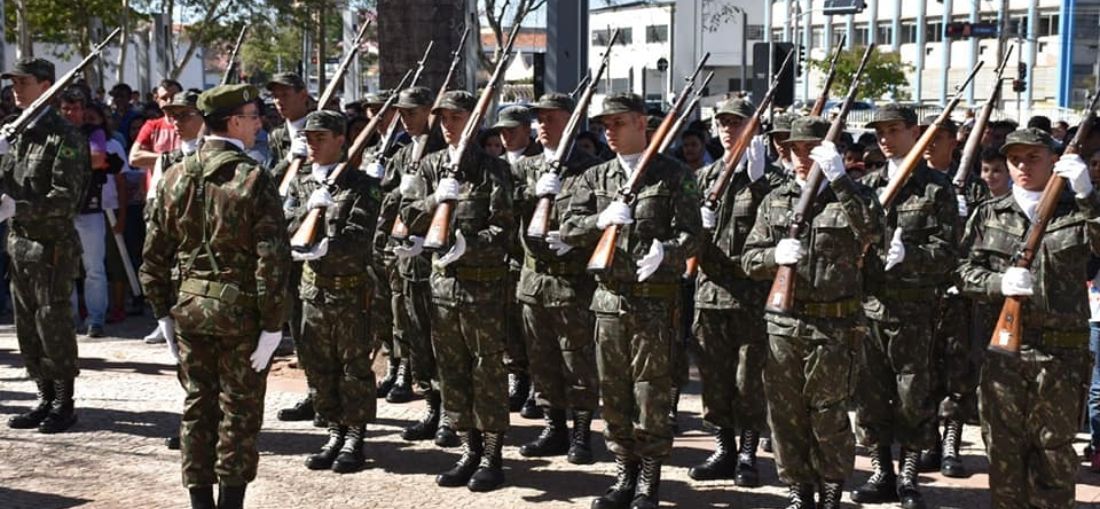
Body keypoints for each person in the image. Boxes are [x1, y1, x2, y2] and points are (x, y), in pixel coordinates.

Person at [140, 84, 290, 509]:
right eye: (252, 115)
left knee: (197, 409)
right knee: (238, 413)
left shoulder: (173, 176)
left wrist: (162, 315)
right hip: (239, 314)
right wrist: (273, 324)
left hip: (188, 310)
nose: (258, 122)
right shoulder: (253, 177)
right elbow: (272, 259)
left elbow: (153, 255)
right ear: (233, 122)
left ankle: (200, 503)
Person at [559, 92, 702, 509]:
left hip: (654, 303)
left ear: (641, 123)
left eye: (619, 123)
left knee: (651, 392)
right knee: (614, 392)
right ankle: (624, 471)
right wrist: (598, 221)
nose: (610, 130)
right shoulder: (595, 176)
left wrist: (667, 253)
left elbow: (694, 234)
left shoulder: (674, 175)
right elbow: (567, 228)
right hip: (608, 301)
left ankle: (649, 479)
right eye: (605, 124)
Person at [742, 116, 882, 508]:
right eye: (793, 150)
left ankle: (832, 489)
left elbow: (873, 234)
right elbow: (749, 258)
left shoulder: (855, 194)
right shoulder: (775, 200)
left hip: (835, 325)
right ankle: (799, 491)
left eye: (810, 149)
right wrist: (774, 256)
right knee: (786, 416)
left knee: (829, 415)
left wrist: (840, 180)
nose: (801, 157)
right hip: (785, 324)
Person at [957, 127, 1099, 508]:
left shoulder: (1078, 211)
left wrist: (1088, 195)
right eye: (1015, 158)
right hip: (1004, 356)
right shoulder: (989, 214)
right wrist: (996, 282)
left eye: (1033, 157)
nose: (1023, 166)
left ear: (1054, 160)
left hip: (1060, 358)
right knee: (1003, 455)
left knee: (1054, 456)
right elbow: (961, 271)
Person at [398, 90, 516, 492]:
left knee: (487, 370)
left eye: (456, 117)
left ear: (475, 120)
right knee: (452, 371)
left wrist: (470, 244)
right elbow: (408, 214)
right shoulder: (429, 166)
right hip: (443, 289)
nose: (448, 125)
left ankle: (492, 455)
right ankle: (468, 449)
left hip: (482, 290)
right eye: (443, 118)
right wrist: (436, 198)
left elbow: (504, 230)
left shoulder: (493, 170)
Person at [853, 104, 960, 509]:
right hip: (872, 307)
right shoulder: (869, 185)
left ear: (914, 132)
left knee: (913, 395)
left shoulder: (935, 188)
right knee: (872, 397)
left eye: (894, 129)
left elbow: (949, 252)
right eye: (880, 131)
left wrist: (910, 255)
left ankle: (910, 475)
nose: (884, 138)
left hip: (915, 311)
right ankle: (882, 471)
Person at [284, 110, 381, 473]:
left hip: (351, 292)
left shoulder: (363, 185)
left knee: (353, 367)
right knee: (320, 366)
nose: (312, 144)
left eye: (320, 138)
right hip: (313, 291)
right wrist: (307, 215)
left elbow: (363, 235)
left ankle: (355, 437)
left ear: (341, 140)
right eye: (308, 137)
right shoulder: (301, 183)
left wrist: (329, 243)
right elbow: (284, 223)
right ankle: (334, 432)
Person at [508, 92, 601, 464]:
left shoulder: (593, 168)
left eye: (551, 118)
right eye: (539, 120)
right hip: (534, 279)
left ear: (571, 121)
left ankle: (581, 433)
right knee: (541, 358)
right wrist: (534, 190)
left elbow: (607, 216)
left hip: (572, 283)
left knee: (576, 359)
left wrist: (575, 241)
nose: (542, 126)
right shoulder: (525, 166)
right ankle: (553, 427)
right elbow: (504, 202)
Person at [1, 58, 89, 434]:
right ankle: (42, 396)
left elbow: (66, 199)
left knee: (52, 324)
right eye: (14, 83)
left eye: (24, 82)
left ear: (47, 86)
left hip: (51, 247)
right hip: (19, 243)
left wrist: (16, 206)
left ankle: (63, 402)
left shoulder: (63, 136)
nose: (16, 89)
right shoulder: (15, 132)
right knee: (26, 326)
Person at [687, 98, 771, 487]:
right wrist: (695, 226)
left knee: (749, 380)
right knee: (715, 379)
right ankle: (723, 448)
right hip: (710, 294)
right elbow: (686, 236)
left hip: (751, 296)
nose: (726, 129)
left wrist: (758, 184)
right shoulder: (704, 178)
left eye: (735, 123)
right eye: (721, 123)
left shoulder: (769, 179)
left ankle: (749, 454)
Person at [389, 86, 453, 445]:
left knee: (442, 340)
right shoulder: (403, 153)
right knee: (418, 339)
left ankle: (449, 416)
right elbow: (394, 200)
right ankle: (431, 407)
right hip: (409, 263)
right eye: (401, 112)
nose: (404, 118)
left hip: (438, 261)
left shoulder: (443, 155)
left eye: (412, 112)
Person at [264, 72, 318, 424]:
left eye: (285, 94)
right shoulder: (278, 135)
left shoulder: (323, 122)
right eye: (275, 96)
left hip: (316, 228)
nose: (279, 102)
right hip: (287, 230)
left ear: (304, 94)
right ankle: (313, 392)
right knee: (297, 317)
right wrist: (288, 159)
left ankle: (329, 395)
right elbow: (273, 182)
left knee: (320, 321)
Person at [493, 104, 542, 418]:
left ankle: (539, 386)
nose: (507, 135)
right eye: (502, 130)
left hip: (532, 256)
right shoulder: (494, 166)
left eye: (513, 128)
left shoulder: (541, 164)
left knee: (533, 327)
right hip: (501, 257)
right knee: (509, 326)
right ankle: (517, 380)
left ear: (528, 130)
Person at [59, 88, 110, 338]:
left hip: (89, 209)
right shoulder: (55, 133)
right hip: (60, 211)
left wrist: (62, 159)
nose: (71, 113)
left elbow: (98, 158)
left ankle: (96, 319)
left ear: (83, 110)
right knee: (64, 268)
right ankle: (68, 319)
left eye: (76, 108)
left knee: (94, 269)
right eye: (66, 108)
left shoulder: (93, 132)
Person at [128, 79, 182, 170]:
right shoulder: (151, 126)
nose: (169, 101)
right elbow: (134, 158)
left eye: (173, 97)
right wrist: (172, 158)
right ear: (157, 100)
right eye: (164, 98)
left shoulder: (195, 124)